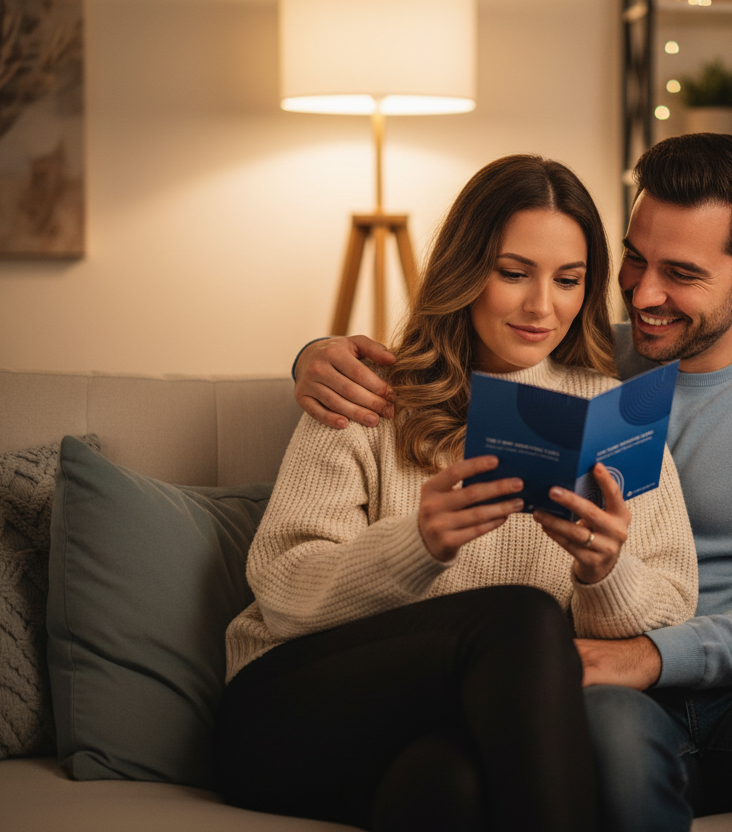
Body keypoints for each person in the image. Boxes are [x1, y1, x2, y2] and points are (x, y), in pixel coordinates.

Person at [292, 134, 732, 830]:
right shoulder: (583, 354)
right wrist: (316, 357)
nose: (645, 293)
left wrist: (652, 656)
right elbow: (467, 349)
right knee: (608, 741)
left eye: (682, 273)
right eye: (635, 260)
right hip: (605, 687)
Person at [216, 154, 698, 832]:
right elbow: (283, 590)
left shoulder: (612, 416)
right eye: (513, 273)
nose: (542, 306)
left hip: (454, 731)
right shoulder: (372, 392)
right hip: (291, 712)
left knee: (450, 790)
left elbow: (674, 607)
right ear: (465, 270)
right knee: (524, 618)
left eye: (568, 280)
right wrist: (417, 543)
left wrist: (604, 572)